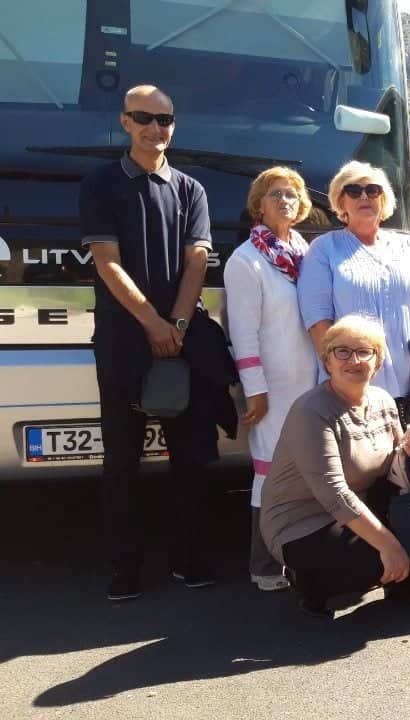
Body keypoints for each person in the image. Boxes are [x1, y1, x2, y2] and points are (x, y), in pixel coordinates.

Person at [82, 84, 222, 601]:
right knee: (121, 462)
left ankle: (189, 560)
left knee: (190, 459)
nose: (155, 128)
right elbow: (107, 263)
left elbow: (197, 261)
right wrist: (152, 323)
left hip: (181, 340)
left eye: (164, 119)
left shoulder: (191, 190)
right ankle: (125, 569)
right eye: (144, 118)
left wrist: (177, 324)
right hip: (123, 342)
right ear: (125, 122)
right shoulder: (100, 184)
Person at [259, 316, 410, 618]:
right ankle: (311, 584)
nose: (353, 360)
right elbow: (334, 494)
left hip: (358, 508)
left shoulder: (383, 401)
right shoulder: (311, 410)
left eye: (364, 351)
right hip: (303, 522)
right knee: (381, 556)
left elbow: (394, 467)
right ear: (327, 361)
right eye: (342, 351)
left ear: (377, 362)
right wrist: (389, 545)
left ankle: (405, 586)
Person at [225, 166, 318, 592]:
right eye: (275, 194)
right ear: (258, 205)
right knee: (270, 474)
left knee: (309, 471)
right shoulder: (246, 260)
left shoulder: (305, 255)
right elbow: (242, 333)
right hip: (273, 390)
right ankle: (263, 566)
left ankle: (302, 558)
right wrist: (255, 391)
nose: (285, 201)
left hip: (311, 383)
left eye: (292, 194)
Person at [297, 161, 410, 405]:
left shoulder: (407, 247)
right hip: (348, 391)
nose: (364, 196)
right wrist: (341, 375)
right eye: (354, 190)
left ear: (383, 198)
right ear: (341, 200)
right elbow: (317, 320)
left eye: (373, 190)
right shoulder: (324, 249)